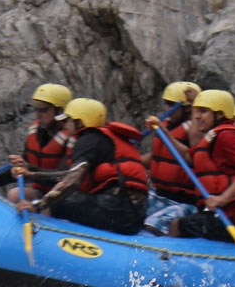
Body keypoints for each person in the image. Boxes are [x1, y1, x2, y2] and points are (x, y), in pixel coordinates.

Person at [14, 98, 148, 235]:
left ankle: (41, 238)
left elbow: (71, 181)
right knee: (71, 198)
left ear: (80, 122)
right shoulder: (103, 138)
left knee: (56, 203)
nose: (64, 125)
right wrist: (31, 174)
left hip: (118, 211)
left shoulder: (88, 139)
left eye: (67, 120)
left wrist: (37, 205)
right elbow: (69, 176)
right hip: (132, 213)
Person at [168, 90, 235, 241]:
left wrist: (222, 199)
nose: (197, 116)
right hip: (231, 216)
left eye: (203, 112)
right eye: (196, 112)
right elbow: (189, 157)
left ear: (220, 115)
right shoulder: (215, 135)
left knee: (176, 226)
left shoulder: (228, 135)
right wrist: (163, 132)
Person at [0, 83, 73, 201]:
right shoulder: (37, 132)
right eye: (36, 109)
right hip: (42, 192)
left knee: (36, 204)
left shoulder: (72, 138)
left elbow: (63, 176)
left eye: (44, 110)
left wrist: (29, 170)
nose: (38, 115)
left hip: (65, 198)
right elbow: (24, 165)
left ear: (60, 111)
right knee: (15, 194)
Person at [142, 81, 203, 235]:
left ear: (187, 108)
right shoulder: (167, 125)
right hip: (158, 194)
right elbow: (156, 157)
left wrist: (197, 106)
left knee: (152, 225)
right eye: (166, 104)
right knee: (127, 210)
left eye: (171, 104)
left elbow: (192, 156)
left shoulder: (196, 129)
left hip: (184, 202)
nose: (166, 109)